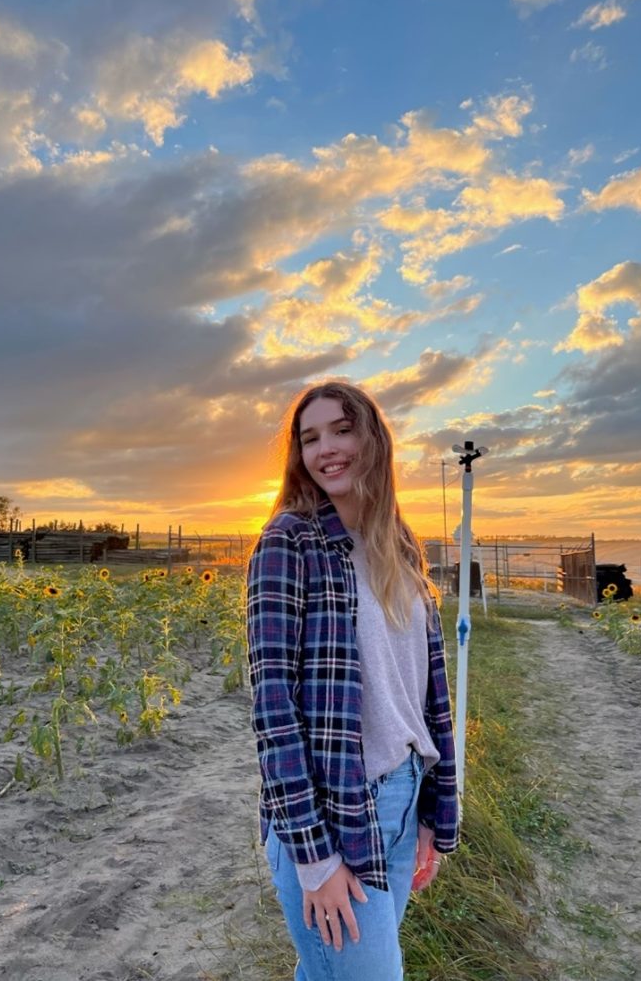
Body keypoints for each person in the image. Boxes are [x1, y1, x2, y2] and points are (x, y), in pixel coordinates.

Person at [246, 380, 459, 981]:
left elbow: (424, 693)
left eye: (342, 429)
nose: (327, 449)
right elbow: (273, 710)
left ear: (373, 440)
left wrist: (427, 815)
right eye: (310, 438)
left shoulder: (400, 545)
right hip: (334, 813)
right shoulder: (289, 543)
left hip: (400, 801)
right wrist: (314, 860)